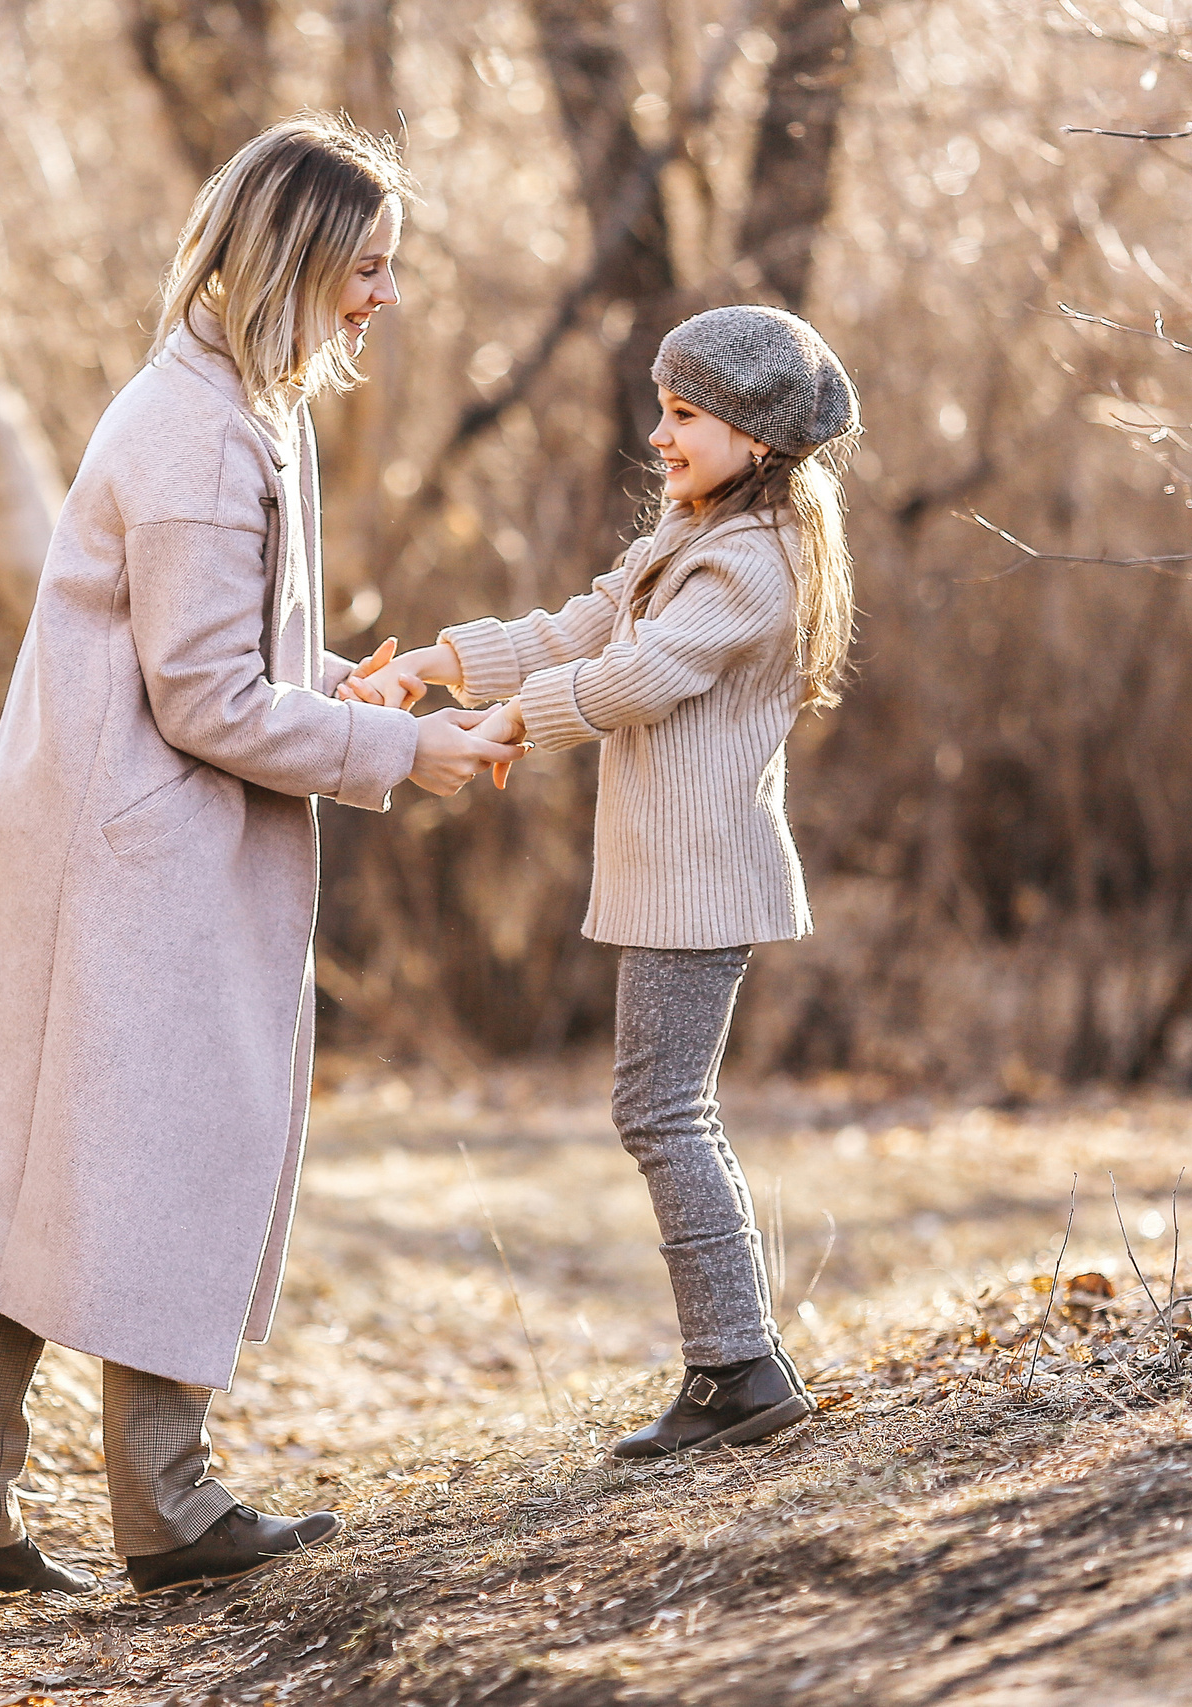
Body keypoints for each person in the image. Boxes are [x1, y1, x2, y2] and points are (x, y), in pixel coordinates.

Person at [0, 114, 522, 1605]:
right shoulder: (197, 435)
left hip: (111, 842)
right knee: (160, 1156)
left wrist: (348, 688)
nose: (383, 296)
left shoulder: (235, 405)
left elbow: (218, 661)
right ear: (292, 260)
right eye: (366, 267)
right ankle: (165, 1511)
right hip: (126, 861)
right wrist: (399, 750)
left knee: (42, 1167)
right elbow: (206, 702)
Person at [340, 304, 859, 1461]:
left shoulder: (752, 561)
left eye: (682, 416)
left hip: (700, 878)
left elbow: (645, 672)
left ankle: (738, 1369)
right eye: (661, 412)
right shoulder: (693, 530)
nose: (659, 436)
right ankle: (736, 1363)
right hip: (670, 875)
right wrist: (435, 666)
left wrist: (514, 723)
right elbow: (584, 625)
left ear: (754, 434)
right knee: (664, 1108)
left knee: (661, 1111)